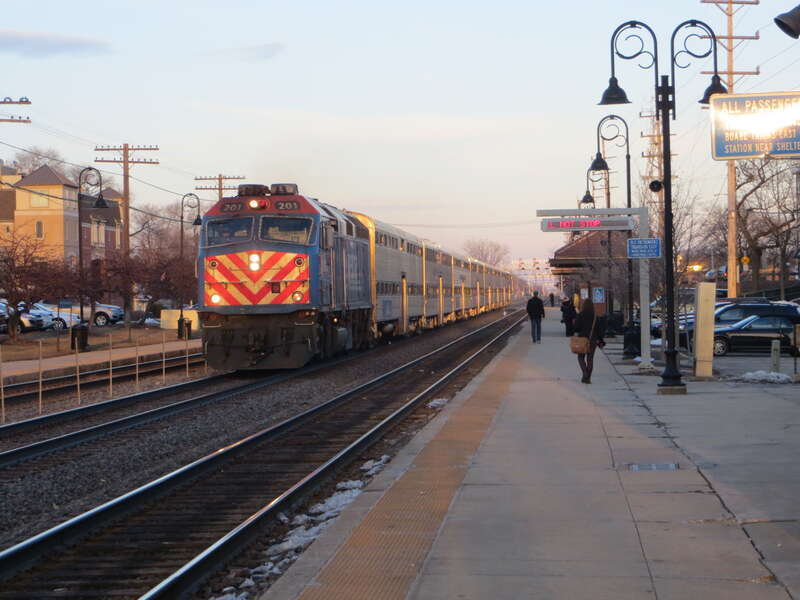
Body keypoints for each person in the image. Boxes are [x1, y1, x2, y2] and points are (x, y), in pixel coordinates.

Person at [573, 298, 605, 384]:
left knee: (580, 357)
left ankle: (585, 373)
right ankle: (588, 378)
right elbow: (599, 330)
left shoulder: (580, 315)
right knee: (590, 359)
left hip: (582, 340)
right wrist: (601, 341)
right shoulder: (595, 316)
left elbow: (576, 328)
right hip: (592, 340)